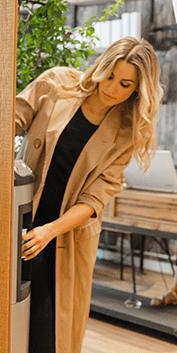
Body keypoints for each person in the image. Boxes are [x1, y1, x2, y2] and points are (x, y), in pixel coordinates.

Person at [15, 37, 163, 353]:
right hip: (19, 222)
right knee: (8, 324)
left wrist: (48, 232)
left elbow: (93, 201)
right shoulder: (56, 84)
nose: (111, 88)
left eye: (124, 84)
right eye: (109, 75)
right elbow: (6, 122)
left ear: (138, 90)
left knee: (49, 335)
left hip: (64, 238)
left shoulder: (125, 133)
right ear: (100, 66)